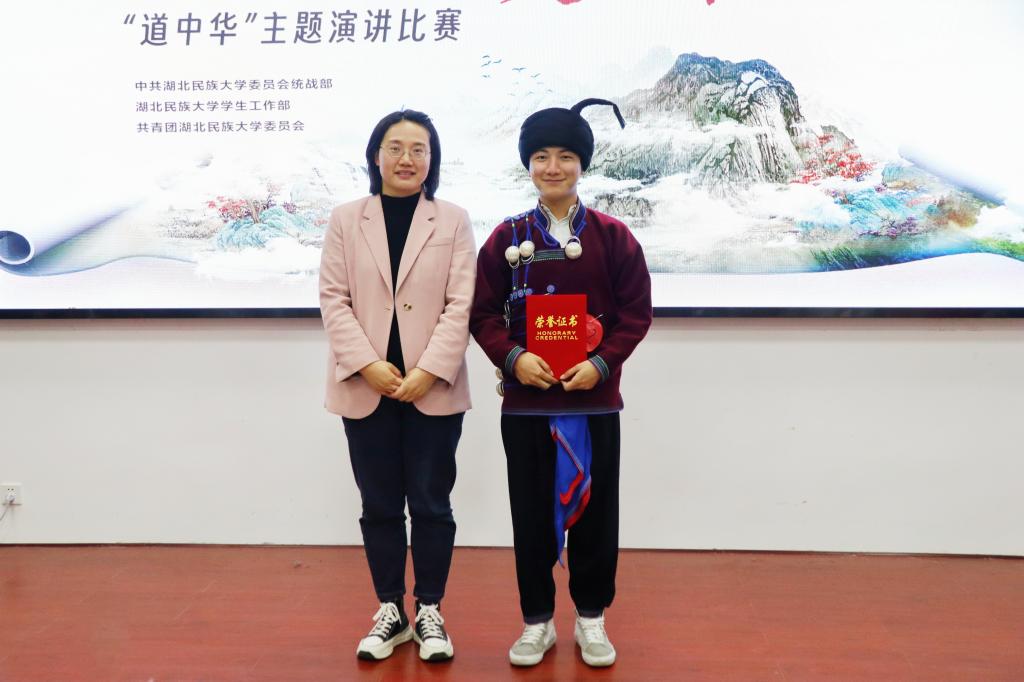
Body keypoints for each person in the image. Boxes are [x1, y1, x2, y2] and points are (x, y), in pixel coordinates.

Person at [469, 99, 652, 668]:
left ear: (582, 164)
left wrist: (601, 365)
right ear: (528, 164)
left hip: (593, 403)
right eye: (542, 156)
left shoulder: (614, 237)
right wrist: (513, 358)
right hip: (526, 404)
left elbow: (636, 315)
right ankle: (537, 621)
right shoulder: (506, 238)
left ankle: (592, 618)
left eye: (566, 156)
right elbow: (481, 314)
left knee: (598, 512)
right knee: (529, 513)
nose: (553, 167)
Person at [319, 109, 476, 663]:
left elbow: (461, 302)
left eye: (419, 149)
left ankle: (430, 609)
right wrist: (369, 365)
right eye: (395, 147)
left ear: (432, 160)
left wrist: (428, 370)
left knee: (432, 503)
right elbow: (333, 300)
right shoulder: (346, 219)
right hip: (367, 387)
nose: (407, 159)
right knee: (379, 504)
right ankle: (390, 610)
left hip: (432, 388)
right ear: (375, 155)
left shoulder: (452, 220)